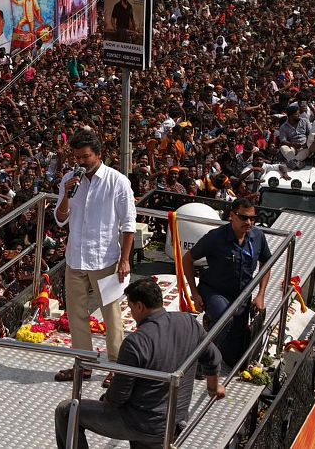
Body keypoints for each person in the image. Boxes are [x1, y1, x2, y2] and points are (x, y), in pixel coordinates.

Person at [55, 278, 225, 449]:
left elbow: (118, 396)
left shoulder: (135, 342)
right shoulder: (188, 322)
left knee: (66, 411)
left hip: (142, 424)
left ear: (139, 306)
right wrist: (213, 388)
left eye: (130, 307)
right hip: (176, 419)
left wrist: (105, 399)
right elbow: (213, 357)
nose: (131, 312)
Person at [53, 128, 136, 386]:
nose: (81, 162)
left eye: (86, 157)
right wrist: (67, 194)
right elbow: (60, 219)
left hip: (106, 259)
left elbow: (128, 224)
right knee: (76, 314)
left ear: (99, 155)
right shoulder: (70, 179)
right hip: (75, 258)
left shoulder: (117, 181)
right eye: (77, 157)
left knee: (111, 314)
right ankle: (84, 364)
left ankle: (116, 367)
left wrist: (124, 259)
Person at [183, 198, 271, 368]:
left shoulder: (257, 236)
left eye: (253, 218)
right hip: (214, 291)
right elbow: (187, 259)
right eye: (244, 217)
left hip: (243, 295)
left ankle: (213, 334)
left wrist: (260, 295)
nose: (249, 222)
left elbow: (266, 263)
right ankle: (203, 357)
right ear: (232, 215)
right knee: (224, 316)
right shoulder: (215, 237)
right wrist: (194, 293)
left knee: (234, 360)